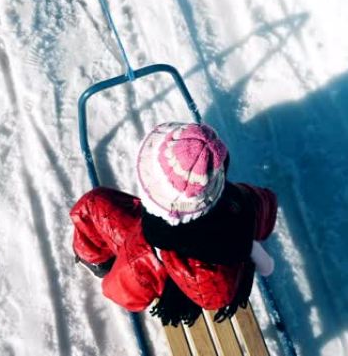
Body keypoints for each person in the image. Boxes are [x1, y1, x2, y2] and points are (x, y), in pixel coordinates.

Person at [70, 122, 277, 326]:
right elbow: (266, 204)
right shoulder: (239, 202)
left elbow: (120, 292)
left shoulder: (145, 251)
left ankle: (98, 261)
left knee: (92, 205)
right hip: (215, 267)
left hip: (166, 271)